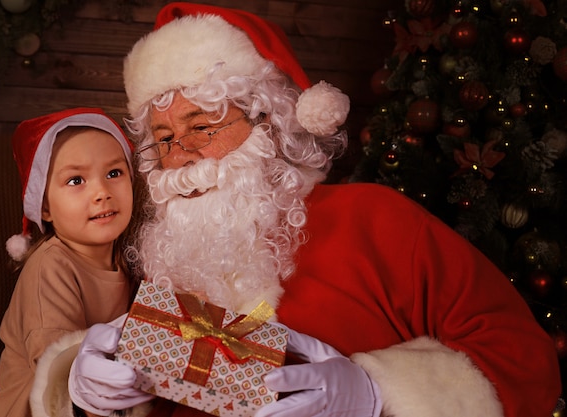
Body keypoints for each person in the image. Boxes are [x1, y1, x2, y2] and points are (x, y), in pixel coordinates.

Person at [32, 3, 561, 417]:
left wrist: (379, 393)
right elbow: (161, 384)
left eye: (203, 126)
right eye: (164, 138)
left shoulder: (376, 218)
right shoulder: (161, 254)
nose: (181, 154)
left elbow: (524, 358)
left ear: (269, 124)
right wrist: (87, 381)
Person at [0, 107, 153, 417]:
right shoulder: (51, 267)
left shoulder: (126, 259)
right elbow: (60, 366)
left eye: (114, 173)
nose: (102, 192)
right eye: (76, 180)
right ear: (45, 207)